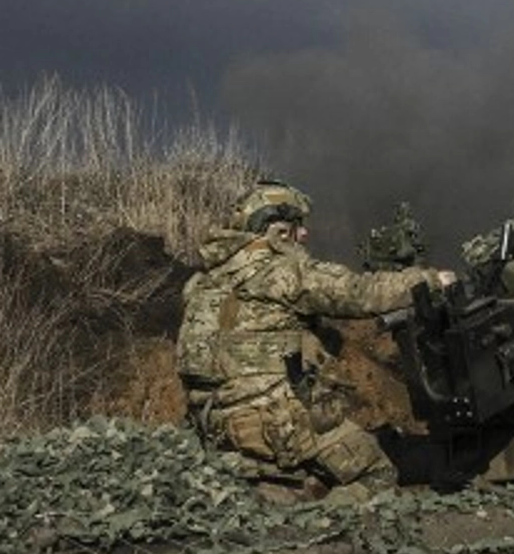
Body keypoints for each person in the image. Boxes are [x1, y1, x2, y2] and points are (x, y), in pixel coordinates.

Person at [177, 179, 455, 496]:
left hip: (214, 426)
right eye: (297, 227)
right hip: (272, 423)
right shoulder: (281, 272)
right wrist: (432, 280)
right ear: (277, 231)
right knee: (376, 474)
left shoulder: (203, 283)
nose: (305, 235)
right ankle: (323, 535)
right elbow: (359, 293)